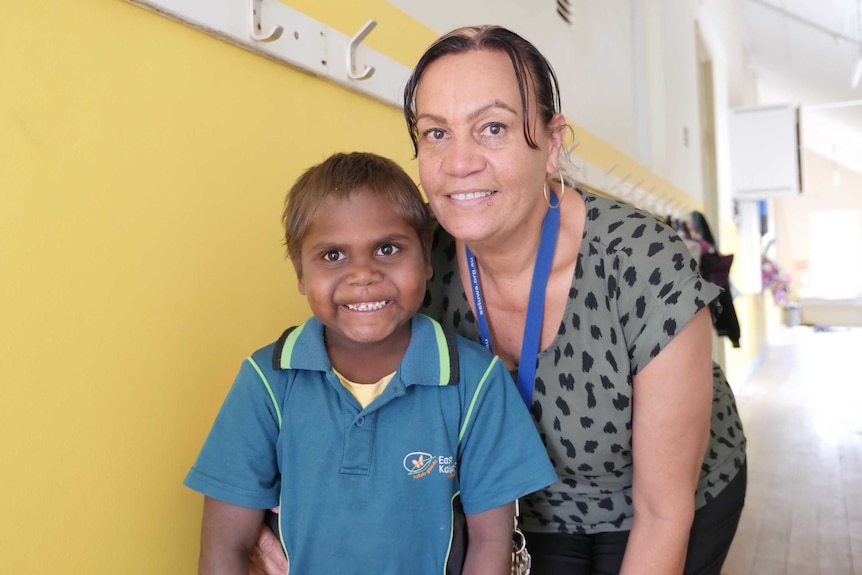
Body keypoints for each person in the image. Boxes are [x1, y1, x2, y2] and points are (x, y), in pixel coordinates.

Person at [253, 25, 747, 575]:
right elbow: (329, 388)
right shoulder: (413, 262)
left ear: (553, 142)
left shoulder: (639, 262)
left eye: (492, 128)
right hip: (509, 511)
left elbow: (663, 512)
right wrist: (261, 505)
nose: (459, 162)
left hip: (661, 506)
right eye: (436, 133)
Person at [184, 151, 558, 575]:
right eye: (332, 256)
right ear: (300, 272)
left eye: (386, 249)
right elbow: (223, 550)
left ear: (425, 255)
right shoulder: (267, 381)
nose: (363, 274)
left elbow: (492, 545)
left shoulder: (475, 381)